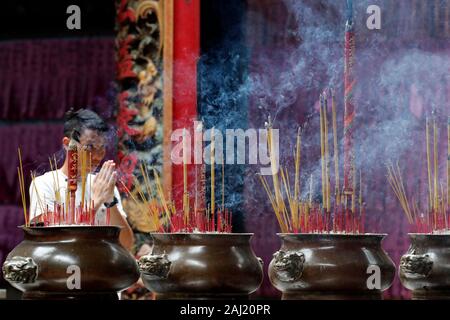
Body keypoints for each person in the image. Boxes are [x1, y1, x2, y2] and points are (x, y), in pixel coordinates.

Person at [29, 108, 134, 251]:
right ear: (67, 144)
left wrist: (110, 202)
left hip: (99, 267)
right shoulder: (44, 184)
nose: (97, 156)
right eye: (89, 147)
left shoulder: (102, 184)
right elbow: (52, 241)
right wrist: (96, 202)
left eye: (101, 148)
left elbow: (126, 245)